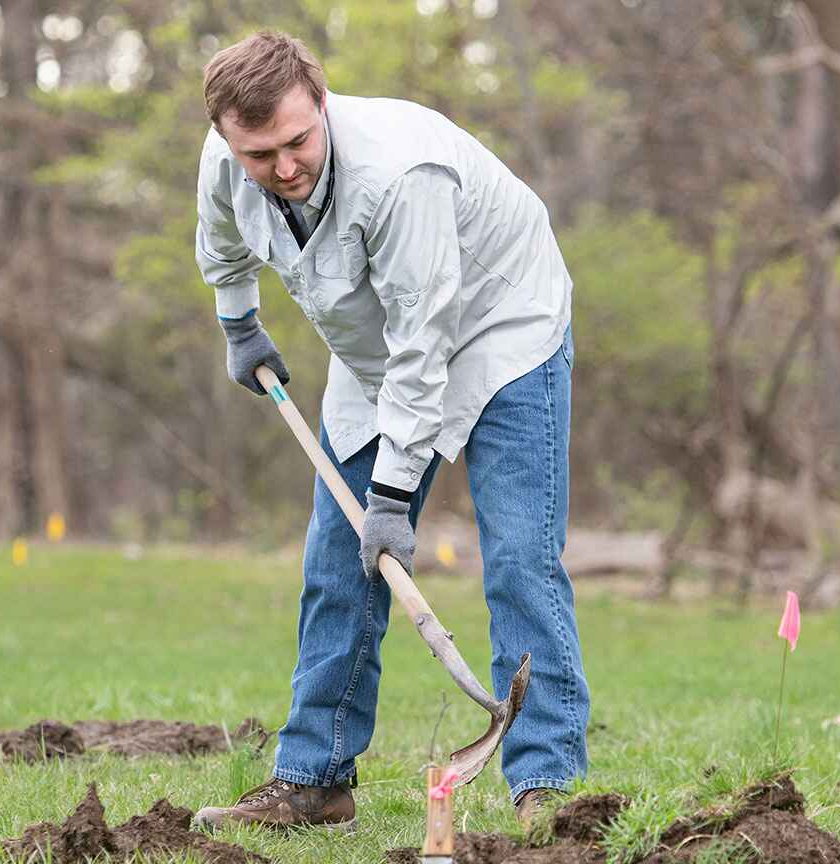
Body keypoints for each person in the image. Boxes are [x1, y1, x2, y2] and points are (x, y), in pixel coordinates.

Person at [189, 30, 589, 832]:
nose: (286, 167)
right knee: (337, 561)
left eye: (299, 141)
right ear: (230, 139)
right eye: (261, 154)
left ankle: (547, 782)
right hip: (377, 354)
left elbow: (425, 345)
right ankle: (315, 779)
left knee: (518, 556)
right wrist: (240, 327)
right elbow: (225, 250)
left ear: (323, 103)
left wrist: (393, 499)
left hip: (503, 329)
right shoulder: (227, 165)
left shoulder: (402, 177)